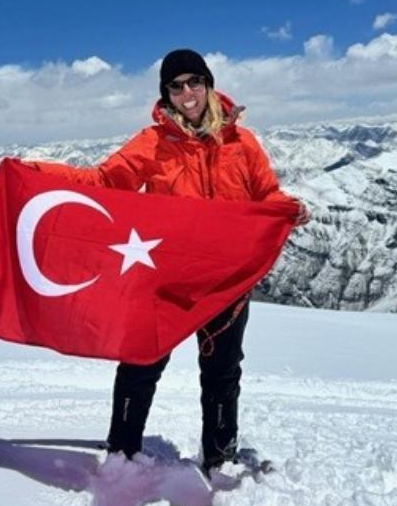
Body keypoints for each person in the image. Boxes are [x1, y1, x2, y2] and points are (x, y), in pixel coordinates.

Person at [24, 48, 309, 474]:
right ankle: (121, 453)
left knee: (222, 372)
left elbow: (265, 193)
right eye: (176, 86)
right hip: (164, 278)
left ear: (209, 85)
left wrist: (288, 209)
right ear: (166, 94)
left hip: (223, 279)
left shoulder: (241, 143)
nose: (187, 92)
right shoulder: (151, 143)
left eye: (194, 81)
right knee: (141, 361)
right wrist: (36, 173)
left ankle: (220, 456)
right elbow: (103, 181)